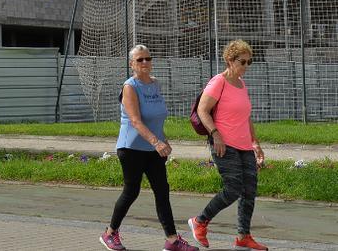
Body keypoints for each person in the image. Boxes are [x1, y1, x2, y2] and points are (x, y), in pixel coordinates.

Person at [100, 45, 197, 251]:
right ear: (131, 64)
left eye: (147, 59)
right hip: (131, 148)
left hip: (153, 149)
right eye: (140, 60)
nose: (145, 63)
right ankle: (110, 233)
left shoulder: (155, 84)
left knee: (162, 191)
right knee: (131, 191)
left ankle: (172, 240)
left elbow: (155, 118)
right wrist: (156, 142)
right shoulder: (130, 86)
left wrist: (164, 139)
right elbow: (135, 121)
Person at [187, 40, 268, 251]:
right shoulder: (218, 82)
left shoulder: (242, 84)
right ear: (229, 60)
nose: (246, 66)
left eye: (250, 62)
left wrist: (255, 143)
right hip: (224, 145)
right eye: (242, 62)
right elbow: (203, 110)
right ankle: (200, 221)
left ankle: (243, 236)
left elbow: (246, 117)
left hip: (244, 146)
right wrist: (216, 135)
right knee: (233, 189)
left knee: (249, 191)